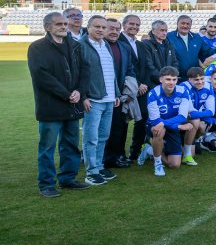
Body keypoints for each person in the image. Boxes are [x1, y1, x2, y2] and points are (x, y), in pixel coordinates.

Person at [28, 11, 90, 197]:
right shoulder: (37, 47)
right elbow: (41, 76)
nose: (63, 26)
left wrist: (79, 91)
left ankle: (68, 179)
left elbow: (85, 70)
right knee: (47, 148)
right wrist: (66, 94)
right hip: (51, 106)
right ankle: (46, 184)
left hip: (73, 105)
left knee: (70, 144)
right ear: (48, 27)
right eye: (58, 24)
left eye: (64, 23)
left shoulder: (75, 45)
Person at [79, 16, 120, 186]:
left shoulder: (105, 45)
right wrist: (83, 96)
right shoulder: (81, 46)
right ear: (88, 27)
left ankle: (99, 166)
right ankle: (91, 172)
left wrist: (116, 93)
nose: (101, 30)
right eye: (97, 26)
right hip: (93, 99)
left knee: (103, 136)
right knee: (91, 137)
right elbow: (78, 73)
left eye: (103, 27)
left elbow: (111, 72)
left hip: (109, 99)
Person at [139, 66, 196, 175]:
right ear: (161, 79)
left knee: (174, 165)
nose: (171, 82)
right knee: (160, 130)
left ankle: (149, 149)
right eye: (168, 79)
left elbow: (182, 116)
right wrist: (178, 126)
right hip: (154, 125)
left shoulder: (183, 91)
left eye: (174, 79)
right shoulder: (153, 94)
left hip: (170, 125)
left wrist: (169, 124)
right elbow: (156, 121)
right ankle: (157, 164)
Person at [102, 18, 137, 170]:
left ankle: (117, 156)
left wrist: (129, 91)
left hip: (121, 95)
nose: (114, 32)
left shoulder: (124, 47)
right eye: (111, 28)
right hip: (103, 95)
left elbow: (130, 69)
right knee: (105, 130)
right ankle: (105, 159)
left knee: (120, 127)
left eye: (117, 29)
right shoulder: (99, 45)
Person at [120, 14, 149, 162]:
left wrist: (142, 84)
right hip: (126, 88)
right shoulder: (118, 41)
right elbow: (123, 67)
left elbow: (144, 67)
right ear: (124, 25)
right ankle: (119, 154)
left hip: (142, 89)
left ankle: (135, 152)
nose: (134, 27)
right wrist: (136, 84)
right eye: (131, 24)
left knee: (142, 120)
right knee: (122, 122)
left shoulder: (139, 44)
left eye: (137, 25)